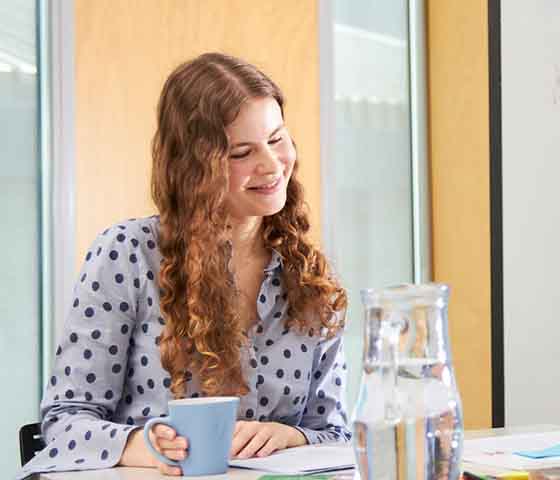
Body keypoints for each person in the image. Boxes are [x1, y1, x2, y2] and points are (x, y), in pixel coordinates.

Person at [19, 53, 350, 478]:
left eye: (277, 139)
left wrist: (293, 437)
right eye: (241, 153)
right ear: (195, 169)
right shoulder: (127, 254)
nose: (271, 165)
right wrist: (140, 445)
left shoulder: (310, 277)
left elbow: (337, 432)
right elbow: (63, 423)